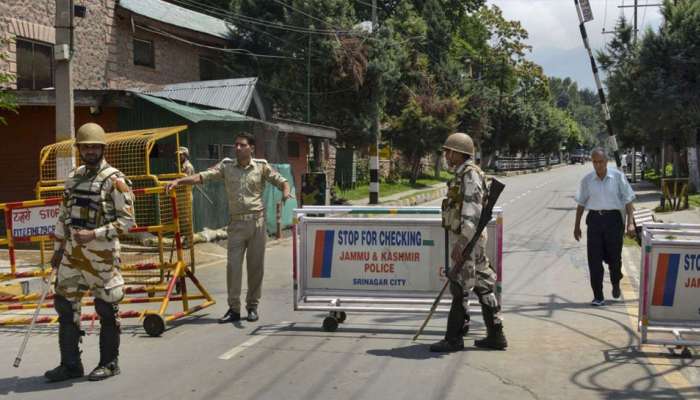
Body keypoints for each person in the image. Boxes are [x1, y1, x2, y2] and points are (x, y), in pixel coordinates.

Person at [166, 132, 291, 323]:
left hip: (257, 224)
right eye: (236, 145)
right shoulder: (226, 167)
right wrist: (179, 181)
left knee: (255, 268)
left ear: (251, 148)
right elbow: (202, 176)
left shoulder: (261, 167)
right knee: (233, 267)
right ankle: (234, 309)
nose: (238, 148)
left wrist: (286, 192)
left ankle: (252, 307)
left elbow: (281, 180)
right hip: (236, 224)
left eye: (242, 145)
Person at [45, 123, 135, 382]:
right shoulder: (73, 177)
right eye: (86, 147)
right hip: (72, 254)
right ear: (79, 149)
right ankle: (70, 365)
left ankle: (109, 363)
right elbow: (64, 214)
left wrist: (94, 234)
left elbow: (128, 222)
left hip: (102, 256)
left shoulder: (115, 180)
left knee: (106, 308)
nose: (91, 151)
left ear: (103, 148)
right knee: (64, 305)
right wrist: (58, 248)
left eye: (95, 146)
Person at [430, 132, 508, 352]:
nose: (445, 155)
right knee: (483, 284)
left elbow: (471, 211)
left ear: (458, 153)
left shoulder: (469, 175)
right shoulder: (462, 173)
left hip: (468, 239)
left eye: (448, 151)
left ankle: (454, 339)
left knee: (459, 286)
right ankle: (496, 335)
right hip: (471, 239)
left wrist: (462, 241)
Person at [574, 148, 636, 306]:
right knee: (594, 260)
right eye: (595, 162)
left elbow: (628, 201)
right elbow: (581, 203)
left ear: (606, 161)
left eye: (601, 162)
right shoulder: (587, 180)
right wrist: (576, 226)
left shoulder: (618, 177)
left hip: (613, 221)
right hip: (594, 221)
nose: (598, 165)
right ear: (592, 162)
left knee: (614, 259)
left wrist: (630, 223)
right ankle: (598, 295)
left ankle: (615, 282)